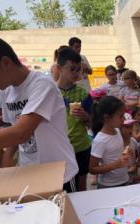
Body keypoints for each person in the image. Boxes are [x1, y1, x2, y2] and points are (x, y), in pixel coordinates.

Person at [0, 37, 78, 192]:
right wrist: (4, 175)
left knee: (62, 215)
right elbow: (12, 138)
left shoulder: (42, 84)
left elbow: (21, 133)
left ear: (6, 63)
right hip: (30, 173)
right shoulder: (6, 91)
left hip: (59, 174)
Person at [57, 48, 93, 191]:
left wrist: (85, 117)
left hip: (81, 146)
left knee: (81, 185)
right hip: (61, 147)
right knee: (61, 187)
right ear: (60, 68)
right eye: (72, 69)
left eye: (78, 70)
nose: (76, 73)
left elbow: (92, 123)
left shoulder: (83, 93)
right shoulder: (50, 92)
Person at [89, 96, 131, 189]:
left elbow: (117, 152)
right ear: (107, 118)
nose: (124, 118)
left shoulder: (118, 130)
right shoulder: (100, 140)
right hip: (108, 185)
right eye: (120, 116)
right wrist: (116, 165)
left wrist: (127, 151)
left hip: (124, 180)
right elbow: (92, 169)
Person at [120, 112, 139, 183]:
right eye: (127, 127)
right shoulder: (116, 144)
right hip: (120, 178)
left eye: (131, 126)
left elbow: (138, 156)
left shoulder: (133, 141)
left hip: (132, 178)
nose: (130, 129)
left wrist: (136, 166)